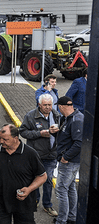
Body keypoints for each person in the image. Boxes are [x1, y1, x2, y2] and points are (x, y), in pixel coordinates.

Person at [0, 124, 47, 223]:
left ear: (15, 138)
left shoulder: (30, 154)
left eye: (5, 139)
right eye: (0, 138)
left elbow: (42, 176)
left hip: (24, 203)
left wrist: (29, 189)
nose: (1, 141)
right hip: (0, 201)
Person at [18, 93, 60, 217]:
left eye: (50, 105)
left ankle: (47, 205)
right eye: (45, 105)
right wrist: (39, 133)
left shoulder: (56, 115)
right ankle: (34, 201)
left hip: (51, 154)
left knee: (47, 180)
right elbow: (23, 132)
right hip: (36, 155)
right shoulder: (31, 116)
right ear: (39, 104)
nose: (48, 107)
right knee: (35, 179)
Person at [55, 96, 84, 224]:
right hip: (71, 161)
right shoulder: (68, 118)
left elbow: (79, 143)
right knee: (71, 188)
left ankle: (62, 220)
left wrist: (65, 158)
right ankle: (72, 217)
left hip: (69, 162)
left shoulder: (76, 120)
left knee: (61, 189)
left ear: (61, 107)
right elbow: (66, 137)